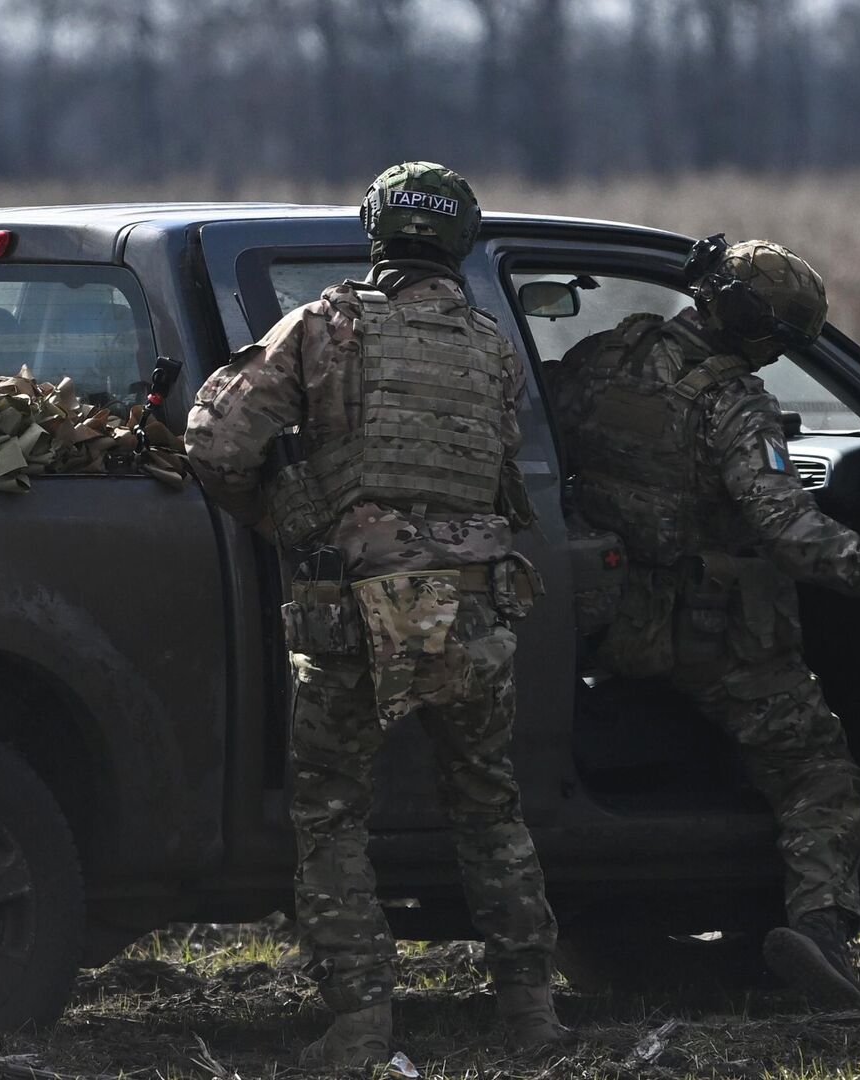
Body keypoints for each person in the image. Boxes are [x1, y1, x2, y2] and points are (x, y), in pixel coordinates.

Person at [186, 162, 571, 1065]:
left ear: (376, 230)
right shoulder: (490, 345)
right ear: (460, 241)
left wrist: (277, 513)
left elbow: (216, 440)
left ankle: (360, 1023)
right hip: (474, 611)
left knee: (331, 815)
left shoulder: (326, 326)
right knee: (489, 812)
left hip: (353, 609)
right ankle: (532, 1017)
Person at [545, 235, 860, 1008]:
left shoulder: (604, 356)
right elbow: (793, 535)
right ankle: (821, 935)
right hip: (709, 634)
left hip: (611, 618)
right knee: (822, 775)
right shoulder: (733, 405)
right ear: (758, 332)